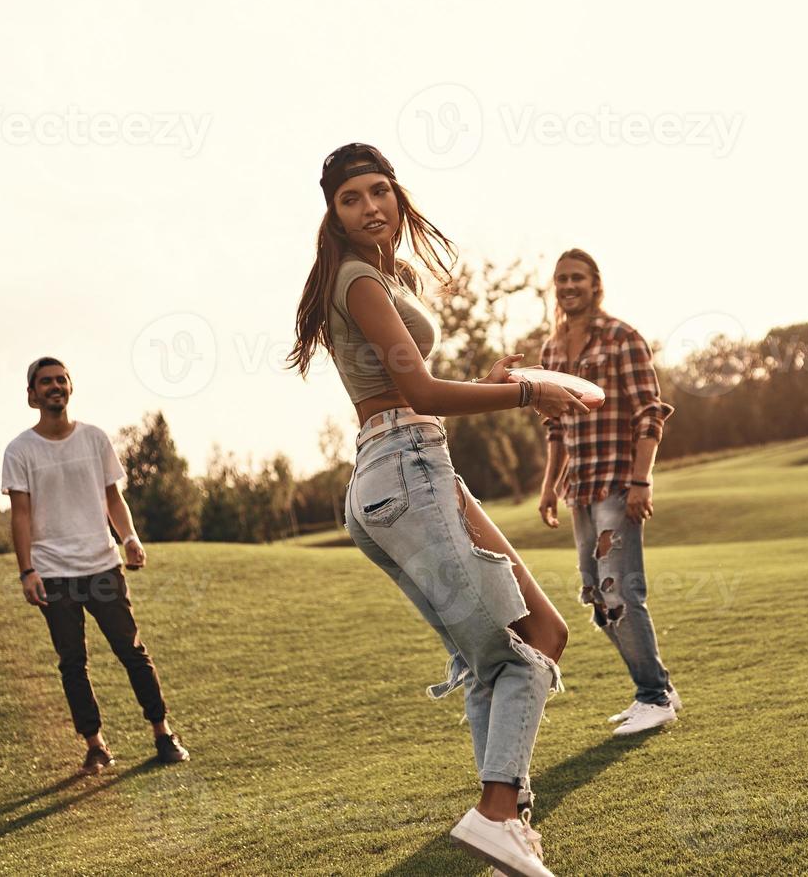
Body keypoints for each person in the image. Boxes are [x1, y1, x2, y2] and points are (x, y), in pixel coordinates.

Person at [287, 143, 587, 877]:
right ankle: (497, 816)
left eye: (379, 191)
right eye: (351, 198)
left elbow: (412, 391)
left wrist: (483, 382)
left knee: (519, 647)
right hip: (406, 466)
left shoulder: (375, 277)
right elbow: (416, 395)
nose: (370, 207)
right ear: (332, 212)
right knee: (527, 650)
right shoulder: (357, 280)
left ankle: (506, 824)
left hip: (406, 468)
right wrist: (524, 394)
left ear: (398, 193)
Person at [2, 357, 189, 774]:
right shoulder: (20, 451)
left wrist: (130, 537)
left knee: (131, 651)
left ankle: (163, 733)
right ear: (32, 395)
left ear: (70, 387)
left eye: (61, 380)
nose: (55, 387)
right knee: (72, 663)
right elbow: (20, 515)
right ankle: (96, 746)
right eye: (45, 382)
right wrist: (27, 570)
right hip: (53, 574)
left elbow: (112, 498)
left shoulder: (94, 439)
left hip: (103, 566)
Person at [537, 249, 682, 736]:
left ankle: (653, 697)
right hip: (579, 489)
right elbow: (555, 427)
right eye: (561, 279)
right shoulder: (552, 351)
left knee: (621, 591)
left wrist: (642, 480)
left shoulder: (623, 338)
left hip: (618, 485)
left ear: (596, 284)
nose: (568, 286)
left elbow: (649, 413)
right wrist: (548, 486)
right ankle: (657, 684)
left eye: (577, 278)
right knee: (598, 601)